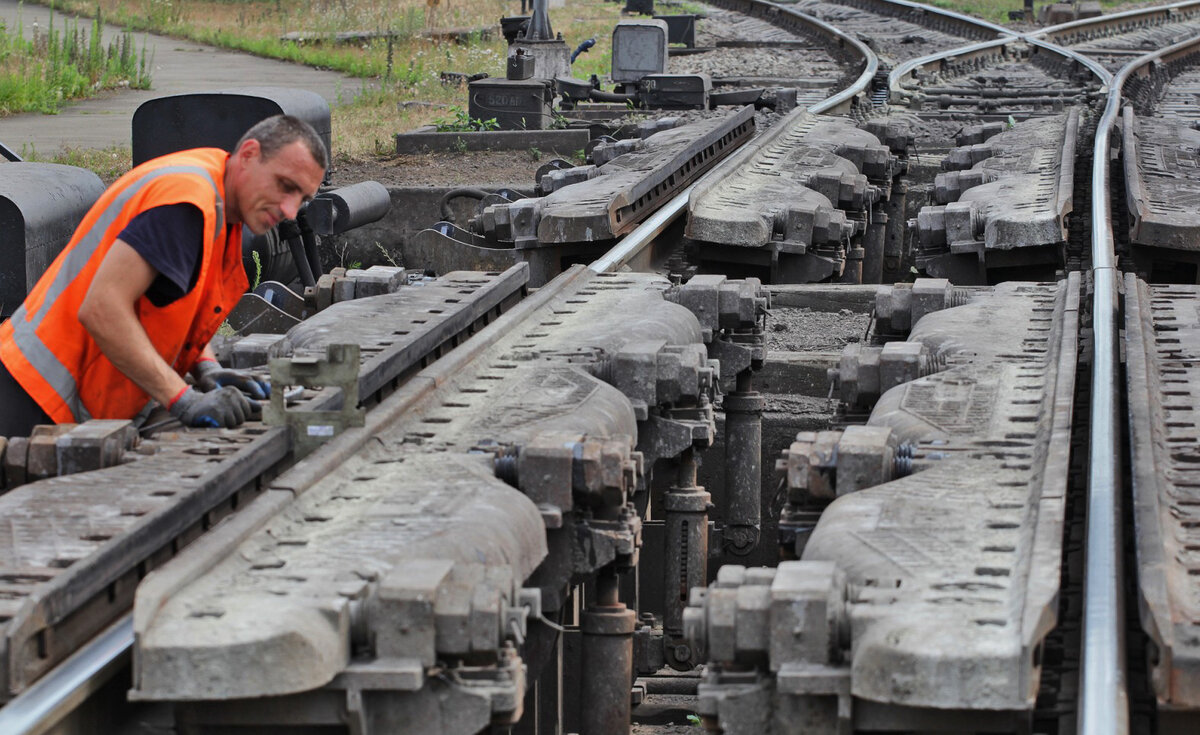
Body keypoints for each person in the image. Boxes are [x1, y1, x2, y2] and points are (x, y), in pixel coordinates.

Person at [0, 114, 327, 437]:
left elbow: (174, 306)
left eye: (301, 199)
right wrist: (182, 399)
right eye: (285, 186)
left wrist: (208, 368)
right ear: (249, 154)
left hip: (53, 395)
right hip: (31, 397)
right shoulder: (185, 205)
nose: (289, 209)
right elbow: (102, 308)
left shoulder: (217, 196)